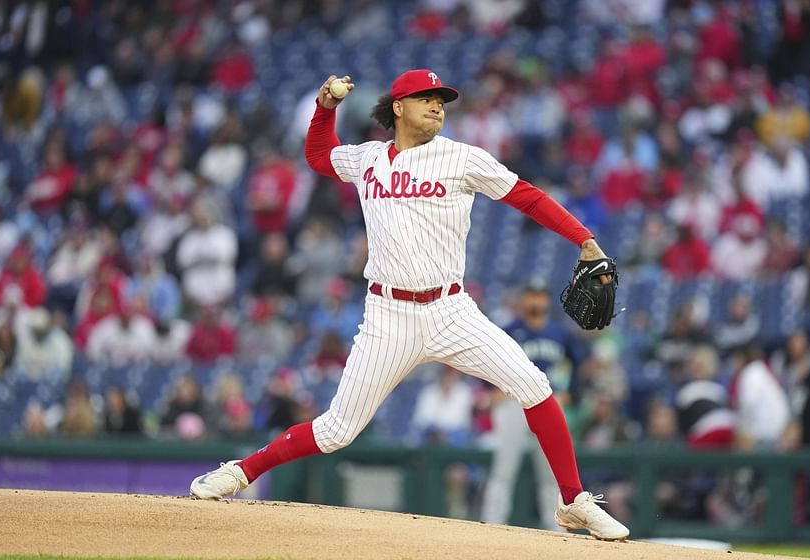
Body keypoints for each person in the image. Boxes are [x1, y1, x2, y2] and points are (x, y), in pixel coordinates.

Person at [189, 69, 629, 541]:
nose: (438, 106)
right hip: (388, 315)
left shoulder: (462, 158)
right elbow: (317, 155)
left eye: (442, 100)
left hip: (451, 310)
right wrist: (325, 108)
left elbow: (528, 198)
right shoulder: (368, 159)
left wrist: (583, 239)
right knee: (338, 430)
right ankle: (240, 472)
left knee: (534, 384)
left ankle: (573, 501)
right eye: (426, 98)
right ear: (398, 107)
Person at [480, 281, 584, 531]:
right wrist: (490, 389)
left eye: (539, 296)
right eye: (531, 295)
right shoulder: (509, 330)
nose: (535, 301)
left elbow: (578, 364)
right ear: (523, 300)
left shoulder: (560, 334)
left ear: (546, 301)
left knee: (551, 473)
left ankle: (556, 527)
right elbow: (484, 358)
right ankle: (492, 524)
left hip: (548, 405)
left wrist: (572, 392)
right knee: (504, 468)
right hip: (513, 404)